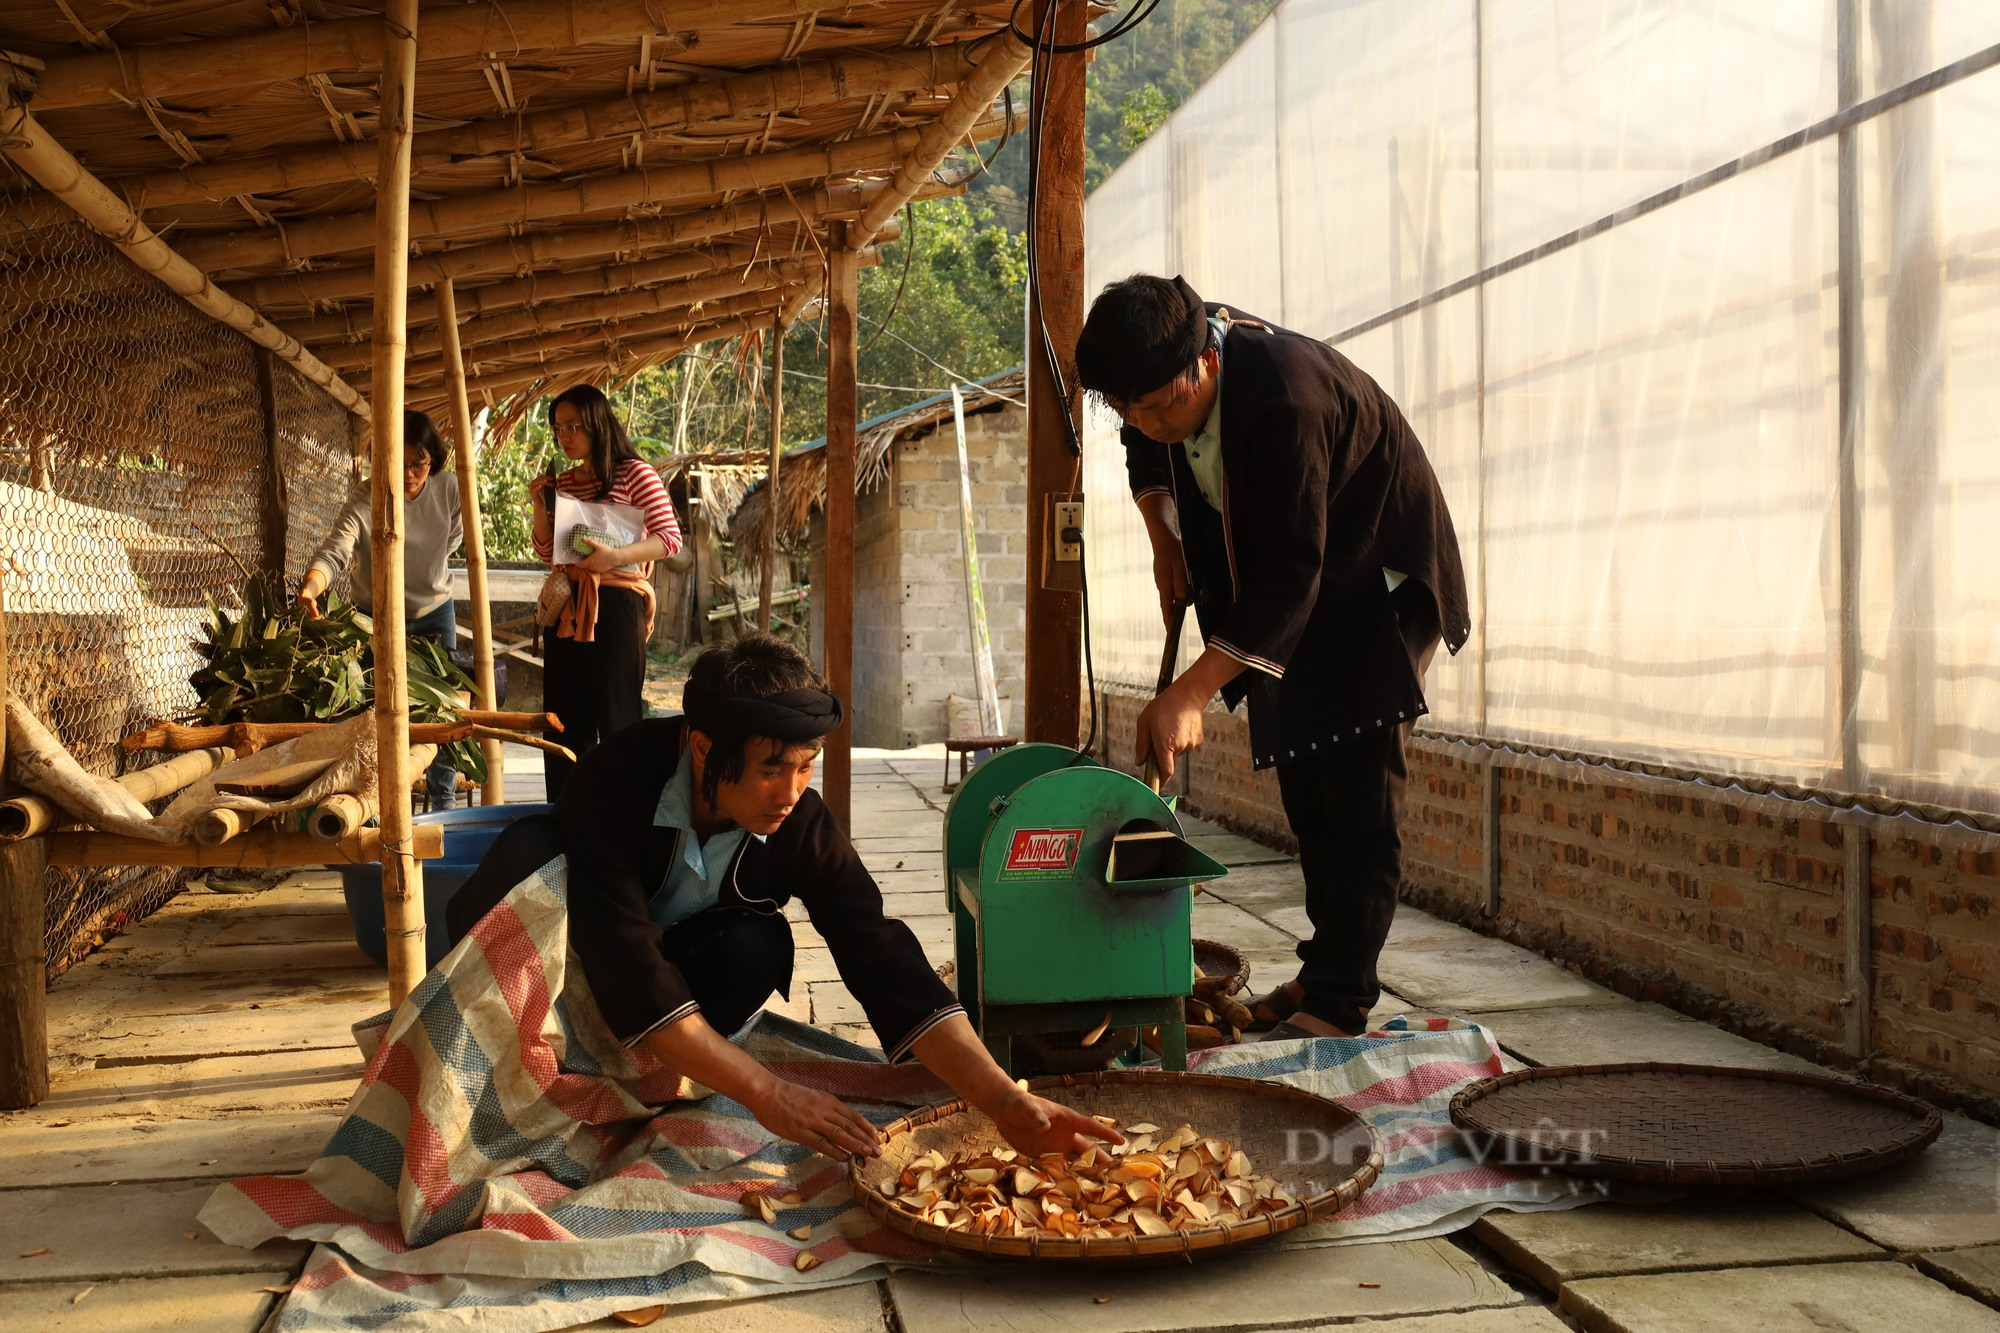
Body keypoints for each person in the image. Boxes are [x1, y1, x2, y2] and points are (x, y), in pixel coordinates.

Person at [446, 633, 1116, 1160]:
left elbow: (880, 953)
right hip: (571, 975)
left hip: (657, 992)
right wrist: (768, 1092)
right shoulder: (616, 781)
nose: (791, 790)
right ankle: (520, 1077)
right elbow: (629, 963)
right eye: (771, 769)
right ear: (704, 748)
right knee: (528, 852)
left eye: (805, 767)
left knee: (755, 948)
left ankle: (646, 1082)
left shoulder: (799, 820)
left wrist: (1002, 1100)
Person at [1073, 274, 1470, 1041]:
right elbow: (1144, 447)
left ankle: (1340, 1000)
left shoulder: (1285, 395)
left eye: (1165, 407)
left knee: (1355, 797)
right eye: (1133, 408)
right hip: (1304, 592)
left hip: (1371, 583)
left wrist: (1188, 692)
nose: (1151, 424)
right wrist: (1164, 536)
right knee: (1305, 778)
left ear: (1207, 364)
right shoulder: (1156, 374)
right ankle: (1325, 967)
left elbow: (1294, 569)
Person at [300, 408, 463, 811]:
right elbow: (336, 549)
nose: (408, 474)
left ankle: (443, 803)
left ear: (433, 460)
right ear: (379, 460)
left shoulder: (450, 489)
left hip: (434, 615)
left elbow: (454, 540)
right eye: (397, 464)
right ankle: (376, 804)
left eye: (418, 464)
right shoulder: (366, 496)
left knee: (441, 711)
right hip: (373, 617)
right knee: (372, 711)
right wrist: (311, 587)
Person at [530, 384, 682, 799]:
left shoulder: (636, 473)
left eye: (573, 426)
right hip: (569, 611)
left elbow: (670, 539)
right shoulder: (562, 482)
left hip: (617, 607)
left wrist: (614, 557)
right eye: (558, 428)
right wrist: (539, 507)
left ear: (599, 424)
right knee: (563, 721)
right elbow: (548, 552)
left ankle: (626, 815)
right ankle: (566, 816)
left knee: (618, 718)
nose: (564, 436)